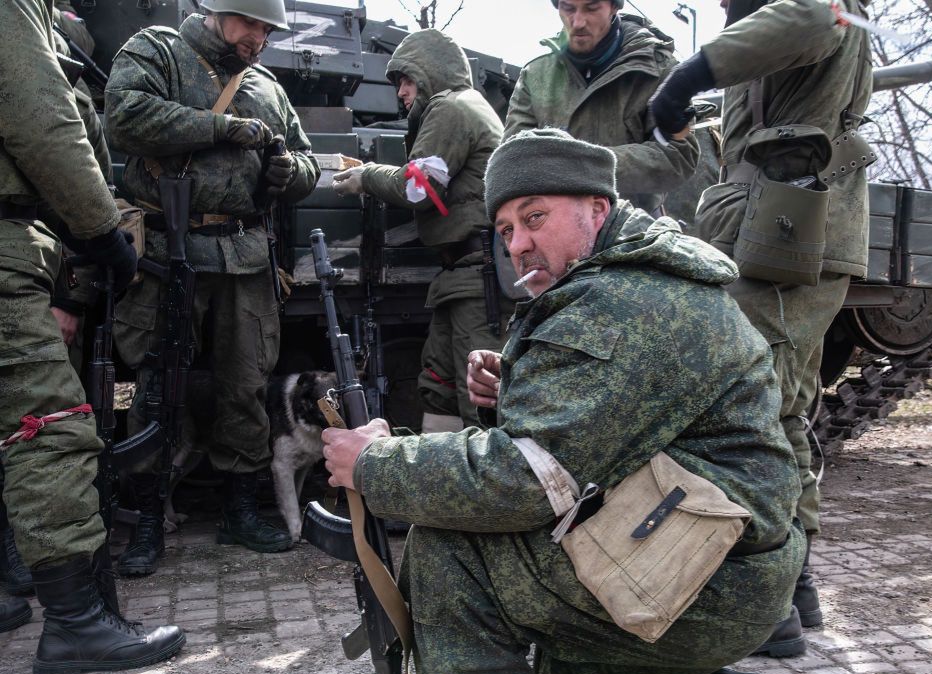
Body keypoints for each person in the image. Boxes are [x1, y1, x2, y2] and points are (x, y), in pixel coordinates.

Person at [320, 129, 810, 674]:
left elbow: (527, 481)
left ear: (596, 208)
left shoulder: (623, 302)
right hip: (710, 552)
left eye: (534, 218)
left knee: (453, 550)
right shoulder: (628, 280)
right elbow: (613, 428)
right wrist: (519, 391)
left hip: (705, 579)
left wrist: (372, 461)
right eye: (505, 229)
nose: (518, 245)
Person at [650, 0, 874, 657]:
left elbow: (811, 19)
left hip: (784, 227)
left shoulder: (814, 10)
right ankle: (791, 589)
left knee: (755, 413)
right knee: (781, 410)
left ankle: (766, 598)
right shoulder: (781, 33)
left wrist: (685, 78)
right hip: (787, 224)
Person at [0, 0, 184, 674]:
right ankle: (77, 622)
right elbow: (42, 118)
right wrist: (104, 234)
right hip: (30, 246)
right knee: (48, 425)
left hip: (49, 252)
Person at [104, 0, 319, 576]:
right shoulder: (158, 52)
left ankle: (241, 510)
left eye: (268, 30)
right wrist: (220, 127)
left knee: (246, 385)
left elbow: (306, 160)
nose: (260, 39)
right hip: (170, 250)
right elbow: (123, 117)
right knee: (156, 384)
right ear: (218, 13)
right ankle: (148, 515)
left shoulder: (268, 84)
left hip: (247, 256)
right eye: (251, 24)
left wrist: (289, 173)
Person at [332, 28, 510, 433]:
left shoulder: (450, 108)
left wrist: (366, 175)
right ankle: (442, 486)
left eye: (407, 80)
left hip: (477, 278)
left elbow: (418, 189)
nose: (401, 93)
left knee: (479, 400)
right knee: (441, 385)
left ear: (431, 73)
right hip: (464, 276)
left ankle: (489, 490)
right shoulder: (466, 106)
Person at [503, 0, 700, 216]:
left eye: (591, 8)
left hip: (634, 233)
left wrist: (588, 164)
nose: (577, 22)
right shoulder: (535, 75)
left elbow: (679, 156)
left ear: (614, 7)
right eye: (568, 8)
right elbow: (512, 159)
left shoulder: (658, 69)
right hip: (555, 231)